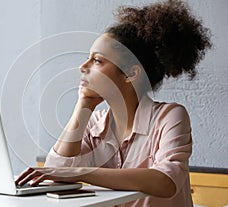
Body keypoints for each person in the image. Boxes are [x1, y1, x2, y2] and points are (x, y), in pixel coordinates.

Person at [15, 0, 211, 206]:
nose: (83, 66)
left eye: (97, 60)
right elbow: (57, 171)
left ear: (130, 73)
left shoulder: (170, 116)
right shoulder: (95, 123)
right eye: (87, 58)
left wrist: (83, 172)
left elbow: (166, 181)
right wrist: (84, 106)